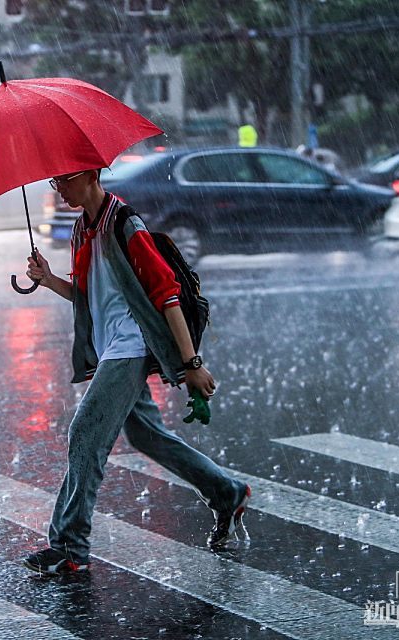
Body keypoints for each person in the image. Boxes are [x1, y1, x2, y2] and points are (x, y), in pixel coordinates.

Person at [21, 168, 251, 576]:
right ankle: (226, 493)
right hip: (110, 348)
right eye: (54, 182)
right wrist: (50, 280)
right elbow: (87, 297)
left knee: (85, 433)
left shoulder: (125, 223)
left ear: (90, 174)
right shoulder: (81, 230)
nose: (59, 189)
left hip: (131, 346)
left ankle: (69, 546)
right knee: (145, 434)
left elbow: (167, 293)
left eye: (65, 180)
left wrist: (191, 364)